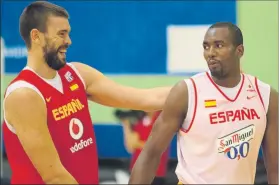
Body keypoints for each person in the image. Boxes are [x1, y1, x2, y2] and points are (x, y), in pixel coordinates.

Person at [2, 1, 171, 184]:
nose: (69, 41)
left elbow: (145, 98)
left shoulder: (78, 74)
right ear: (36, 36)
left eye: (68, 33)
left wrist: (196, 88)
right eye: (61, 34)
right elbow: (55, 177)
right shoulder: (24, 94)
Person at [129, 22, 278, 184]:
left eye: (218, 45)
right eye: (206, 47)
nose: (210, 53)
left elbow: (275, 166)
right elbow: (150, 154)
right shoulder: (187, 92)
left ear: (239, 51)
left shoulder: (265, 95)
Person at [120, 111, 169, 185]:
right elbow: (130, 146)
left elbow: (156, 145)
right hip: (137, 171)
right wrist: (126, 126)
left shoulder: (162, 117)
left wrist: (138, 143)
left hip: (155, 173)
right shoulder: (141, 120)